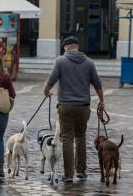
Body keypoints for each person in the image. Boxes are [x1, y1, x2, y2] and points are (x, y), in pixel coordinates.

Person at [43, 35, 104, 182]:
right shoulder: (89, 62)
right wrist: (102, 100)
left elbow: (51, 80)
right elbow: (97, 83)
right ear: (76, 46)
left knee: (67, 138)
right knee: (81, 137)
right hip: (83, 107)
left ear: (67, 47)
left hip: (66, 106)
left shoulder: (61, 61)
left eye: (64, 47)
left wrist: (46, 91)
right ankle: (81, 171)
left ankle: (69, 175)